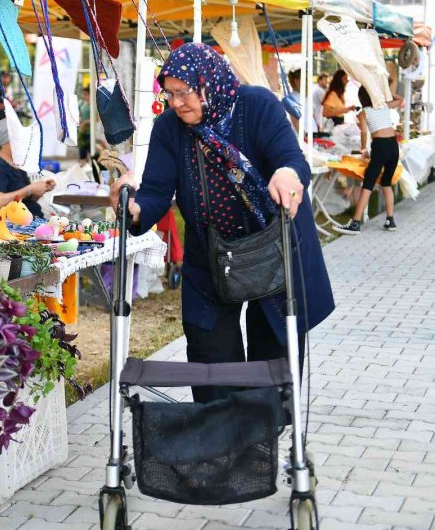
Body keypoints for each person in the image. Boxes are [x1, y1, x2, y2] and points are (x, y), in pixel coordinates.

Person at [110, 43, 334, 404]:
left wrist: (287, 175)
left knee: (272, 367)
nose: (176, 103)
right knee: (211, 363)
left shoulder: (257, 105)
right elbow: (154, 191)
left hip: (272, 251)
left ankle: (262, 443)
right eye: (168, 94)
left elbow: (291, 159)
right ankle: (220, 439)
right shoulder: (170, 128)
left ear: (209, 83)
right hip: (211, 257)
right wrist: (132, 206)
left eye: (184, 92)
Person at [334, 86, 404, 235]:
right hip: (393, 146)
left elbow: (364, 133)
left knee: (368, 184)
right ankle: (390, 220)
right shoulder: (383, 106)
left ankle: (355, 223)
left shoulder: (363, 113)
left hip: (380, 146)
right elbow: (400, 100)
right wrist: (386, 92)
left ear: (361, 99)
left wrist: (363, 149)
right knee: (386, 182)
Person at [0, 126, 55, 219]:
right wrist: (29, 189)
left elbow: (25, 200)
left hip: (33, 217)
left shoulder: (18, 165)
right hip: (17, 224)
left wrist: (39, 190)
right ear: (4, 144)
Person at [321, 69, 354, 135]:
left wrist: (348, 109)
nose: (347, 81)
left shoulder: (339, 93)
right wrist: (344, 110)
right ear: (339, 80)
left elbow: (338, 109)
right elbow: (325, 113)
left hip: (338, 126)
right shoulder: (333, 94)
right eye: (345, 78)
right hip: (332, 127)